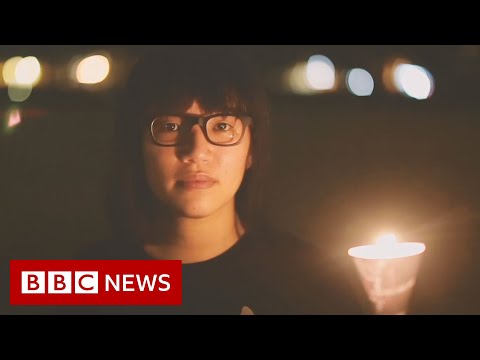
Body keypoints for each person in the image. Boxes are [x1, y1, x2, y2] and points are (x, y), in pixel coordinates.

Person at [74, 45, 365, 315]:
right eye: (170, 126)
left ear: (252, 149)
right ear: (136, 146)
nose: (197, 151)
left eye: (223, 125)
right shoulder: (87, 282)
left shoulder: (311, 281)